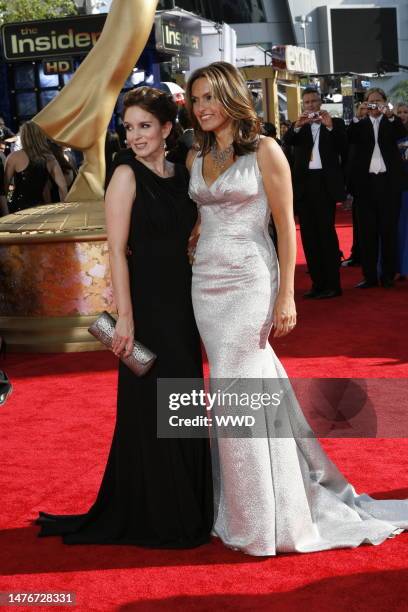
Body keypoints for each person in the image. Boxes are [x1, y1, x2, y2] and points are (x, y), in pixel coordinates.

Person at [185, 61, 408, 556]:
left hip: (249, 281)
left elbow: (286, 227)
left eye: (208, 98)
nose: (200, 108)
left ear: (230, 97)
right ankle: (248, 505)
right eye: (194, 99)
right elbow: (205, 213)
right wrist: (194, 237)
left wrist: (285, 294)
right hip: (206, 286)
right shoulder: (195, 155)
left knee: (238, 385)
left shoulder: (265, 150)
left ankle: (265, 517)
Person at [36, 86, 213, 548]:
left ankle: (190, 505)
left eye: (144, 126)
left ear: (167, 129)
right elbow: (115, 250)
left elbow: (197, 226)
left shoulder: (183, 172)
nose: (134, 136)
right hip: (148, 307)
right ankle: (160, 512)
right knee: (152, 406)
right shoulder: (125, 175)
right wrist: (125, 318)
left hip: (185, 303)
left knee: (185, 404)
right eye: (129, 127)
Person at [283, 87, 347, 299]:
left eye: (314, 101)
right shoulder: (299, 126)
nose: (311, 105)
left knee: (326, 234)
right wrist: (297, 127)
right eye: (307, 102)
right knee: (309, 237)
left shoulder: (334, 124)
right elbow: (287, 142)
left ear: (321, 103)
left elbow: (344, 147)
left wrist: (328, 127)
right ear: (303, 105)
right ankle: (317, 284)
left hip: (325, 185)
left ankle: (333, 284)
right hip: (304, 186)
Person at [347, 88, 406, 288]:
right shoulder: (359, 124)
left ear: (384, 102)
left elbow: (402, 132)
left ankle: (388, 275)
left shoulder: (392, 123)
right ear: (365, 103)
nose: (374, 105)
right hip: (365, 186)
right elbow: (349, 138)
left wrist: (389, 114)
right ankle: (370, 276)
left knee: (389, 232)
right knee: (367, 234)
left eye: (378, 101)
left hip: (389, 185)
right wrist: (357, 116)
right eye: (370, 102)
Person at [4, 121, 67, 214]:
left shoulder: (13, 157)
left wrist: (4, 213)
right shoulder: (49, 158)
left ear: (24, 137)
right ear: (40, 136)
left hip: (18, 210)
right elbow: (62, 186)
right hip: (41, 208)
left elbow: (4, 188)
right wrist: (64, 208)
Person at [395, 102, 408, 278]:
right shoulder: (389, 133)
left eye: (406, 112)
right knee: (397, 229)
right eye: (400, 112)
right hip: (395, 187)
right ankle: (398, 267)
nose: (403, 114)